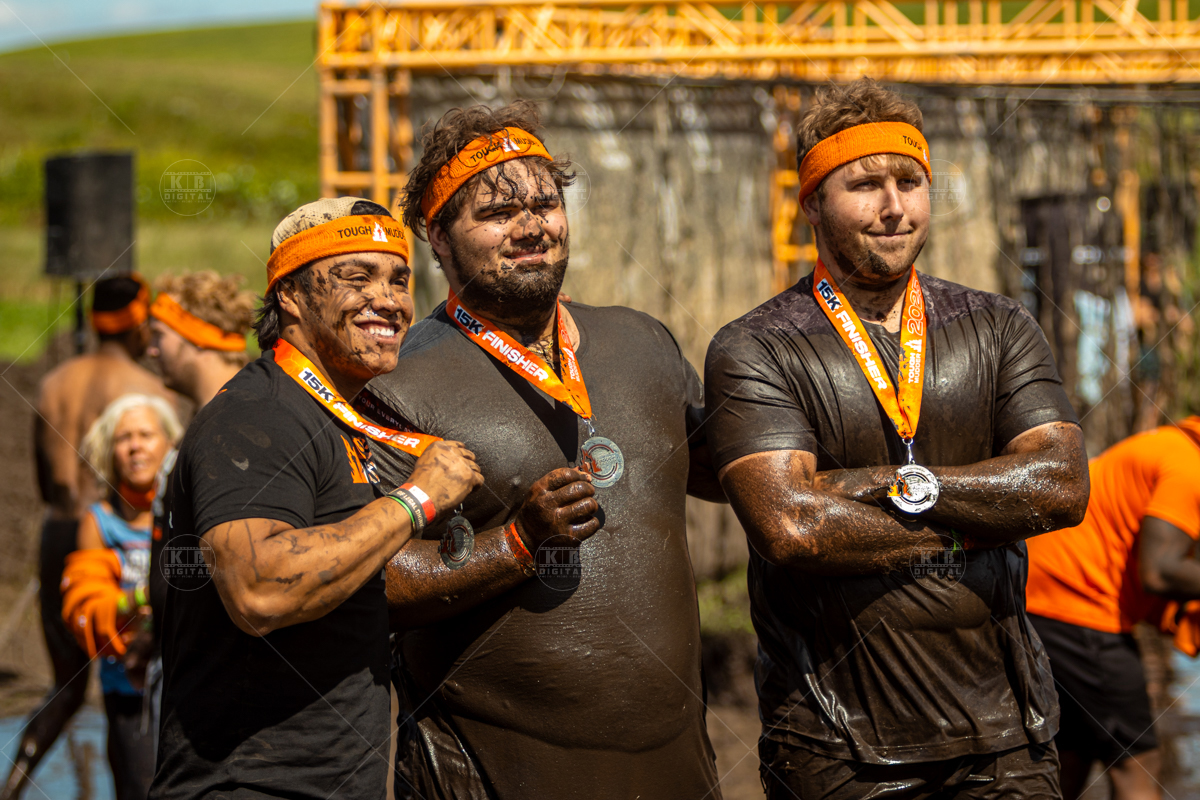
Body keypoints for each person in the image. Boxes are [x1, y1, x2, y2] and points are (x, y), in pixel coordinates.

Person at [704, 78, 1091, 799]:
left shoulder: (999, 325)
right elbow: (793, 525)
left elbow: (1059, 486)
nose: (894, 207)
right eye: (865, 184)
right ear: (811, 201)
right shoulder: (756, 346)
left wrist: (890, 484)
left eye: (910, 181)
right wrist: (977, 524)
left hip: (1008, 733)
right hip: (834, 745)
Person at [363, 100, 724, 799]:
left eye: (545, 203)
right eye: (497, 213)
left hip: (678, 770)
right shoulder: (395, 383)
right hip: (493, 774)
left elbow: (729, 472)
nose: (530, 225)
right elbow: (365, 580)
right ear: (437, 237)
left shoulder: (642, 341)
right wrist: (515, 547)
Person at [149, 198, 484, 800]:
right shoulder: (258, 415)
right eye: (357, 278)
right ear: (291, 296)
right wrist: (417, 498)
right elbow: (260, 588)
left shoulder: (334, 419)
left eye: (399, 279)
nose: (389, 300)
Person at [4, 275, 176, 800]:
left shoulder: (55, 382)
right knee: (131, 674)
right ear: (137, 322)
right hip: (116, 535)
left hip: (59, 531)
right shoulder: (147, 392)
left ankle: (14, 783)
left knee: (69, 683)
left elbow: (42, 478)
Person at [1026, 416, 1200, 800]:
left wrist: (1178, 618)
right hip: (1077, 605)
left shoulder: (1170, 445)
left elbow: (1132, 564)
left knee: (1070, 755)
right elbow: (1160, 571)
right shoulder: (1190, 468)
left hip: (1043, 598)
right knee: (1137, 763)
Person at [143, 270, 257, 751]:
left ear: (194, 339)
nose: (151, 350)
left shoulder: (236, 420)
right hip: (184, 661)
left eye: (160, 337)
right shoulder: (208, 416)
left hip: (218, 689)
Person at [61, 394, 183, 800]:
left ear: (170, 443)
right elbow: (85, 607)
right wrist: (139, 600)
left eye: (146, 435)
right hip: (127, 693)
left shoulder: (186, 512)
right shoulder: (100, 523)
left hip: (185, 688)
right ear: (109, 452)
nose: (135, 446)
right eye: (123, 438)